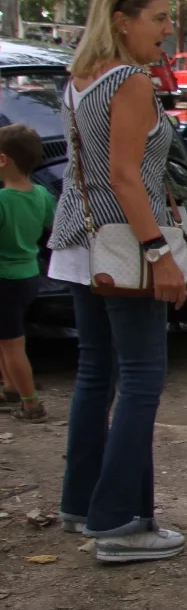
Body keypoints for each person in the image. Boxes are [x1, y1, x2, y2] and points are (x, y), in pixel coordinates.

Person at [51, 0, 187, 563]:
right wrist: (159, 253)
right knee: (140, 379)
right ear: (122, 21)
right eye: (158, 17)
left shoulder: (80, 78)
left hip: (80, 244)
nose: (168, 28)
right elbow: (126, 178)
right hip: (126, 248)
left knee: (95, 374)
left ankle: (82, 503)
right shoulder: (130, 82)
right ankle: (121, 522)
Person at [0, 124, 55, 422]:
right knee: (6, 337)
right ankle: (9, 388)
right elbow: (52, 228)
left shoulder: (2, 201)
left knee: (12, 343)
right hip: (29, 275)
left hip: (4, 278)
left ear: (3, 160)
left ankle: (31, 403)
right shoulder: (43, 195)